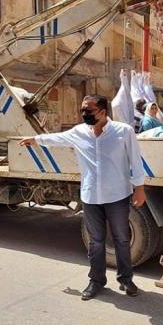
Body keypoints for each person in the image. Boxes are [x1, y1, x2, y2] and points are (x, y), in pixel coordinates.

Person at [19, 94, 146, 300]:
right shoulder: (79, 132)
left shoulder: (123, 131)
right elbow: (57, 138)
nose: (84, 114)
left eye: (88, 110)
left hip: (117, 195)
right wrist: (35, 140)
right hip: (90, 196)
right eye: (82, 110)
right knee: (95, 241)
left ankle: (126, 279)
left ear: (102, 111)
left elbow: (136, 160)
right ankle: (96, 280)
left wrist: (139, 188)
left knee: (122, 239)